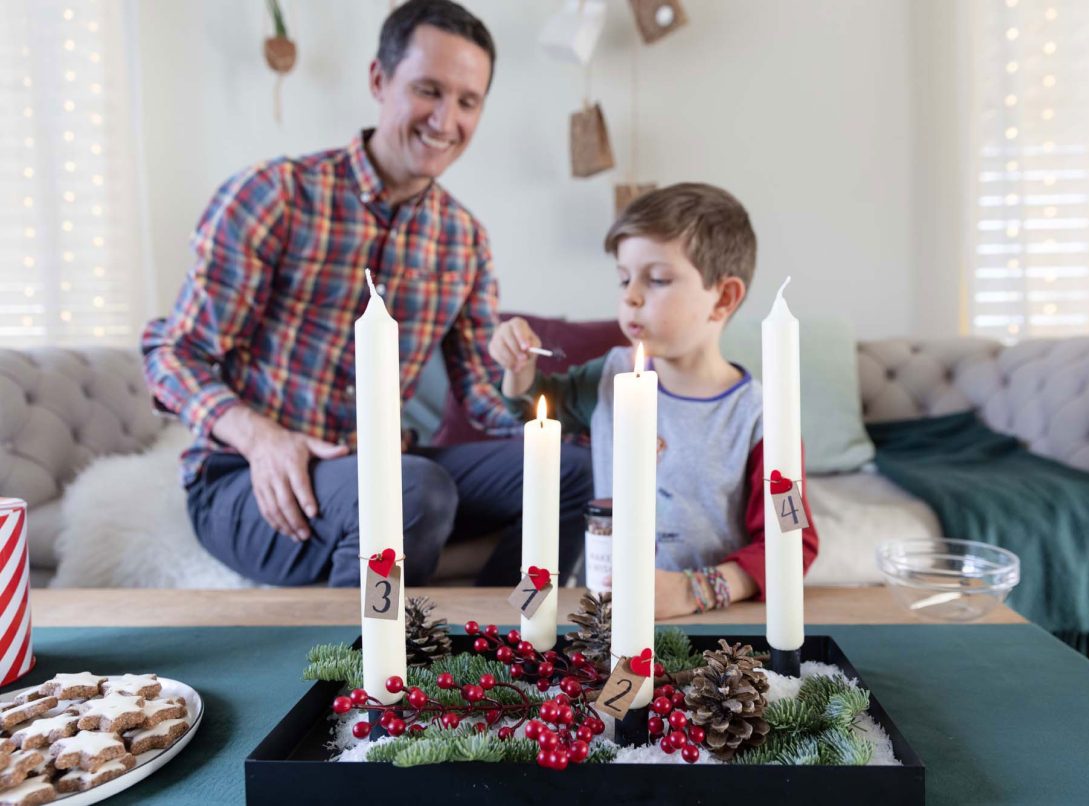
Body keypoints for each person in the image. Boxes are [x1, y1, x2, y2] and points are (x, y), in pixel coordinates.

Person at [142, 0, 591, 588]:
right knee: (411, 491)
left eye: (467, 101)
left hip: (383, 465)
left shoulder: (464, 239)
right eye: (429, 90)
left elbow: (483, 397)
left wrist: (575, 415)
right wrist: (262, 438)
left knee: (573, 471)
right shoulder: (274, 195)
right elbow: (171, 354)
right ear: (379, 80)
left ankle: (492, 646)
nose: (446, 119)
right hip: (244, 476)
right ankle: (350, 673)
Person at [490, 183, 819, 618]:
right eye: (624, 278)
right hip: (608, 615)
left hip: (712, 629)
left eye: (657, 279)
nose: (630, 295)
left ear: (723, 298)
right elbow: (534, 405)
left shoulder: (761, 418)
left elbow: (793, 544)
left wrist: (695, 592)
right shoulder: (611, 376)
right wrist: (518, 367)